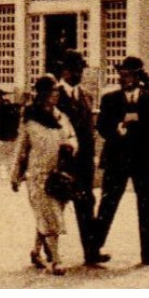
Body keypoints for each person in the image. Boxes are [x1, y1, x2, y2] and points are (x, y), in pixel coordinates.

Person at [94, 55, 149, 266]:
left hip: (142, 160)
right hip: (117, 158)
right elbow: (101, 127)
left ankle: (148, 254)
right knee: (108, 202)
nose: (125, 79)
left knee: (146, 206)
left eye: (129, 75)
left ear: (138, 76)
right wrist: (117, 129)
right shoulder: (110, 99)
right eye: (122, 75)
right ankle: (94, 248)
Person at [11, 74, 76, 275]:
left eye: (56, 91)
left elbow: (72, 136)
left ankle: (36, 251)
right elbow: (21, 149)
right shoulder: (30, 120)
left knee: (50, 214)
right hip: (38, 176)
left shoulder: (60, 117)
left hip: (58, 174)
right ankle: (56, 260)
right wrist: (15, 174)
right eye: (51, 91)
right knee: (51, 217)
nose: (55, 95)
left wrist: (71, 146)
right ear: (42, 94)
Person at [51, 50, 101, 266]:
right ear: (64, 71)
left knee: (86, 203)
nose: (78, 74)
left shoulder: (86, 96)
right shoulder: (54, 95)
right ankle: (45, 251)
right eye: (74, 70)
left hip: (84, 161)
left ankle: (90, 253)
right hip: (62, 159)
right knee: (55, 205)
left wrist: (92, 156)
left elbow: (89, 131)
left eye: (81, 69)